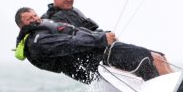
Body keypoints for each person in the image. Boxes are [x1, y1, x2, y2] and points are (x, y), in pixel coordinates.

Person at [14, 7, 172, 83]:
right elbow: (69, 43)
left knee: (160, 57)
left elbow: (78, 33)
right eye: (30, 19)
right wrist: (102, 39)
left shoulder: (43, 27)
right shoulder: (37, 41)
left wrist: (101, 35)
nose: (35, 19)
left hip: (98, 51)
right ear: (22, 26)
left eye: (35, 15)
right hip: (97, 58)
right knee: (153, 59)